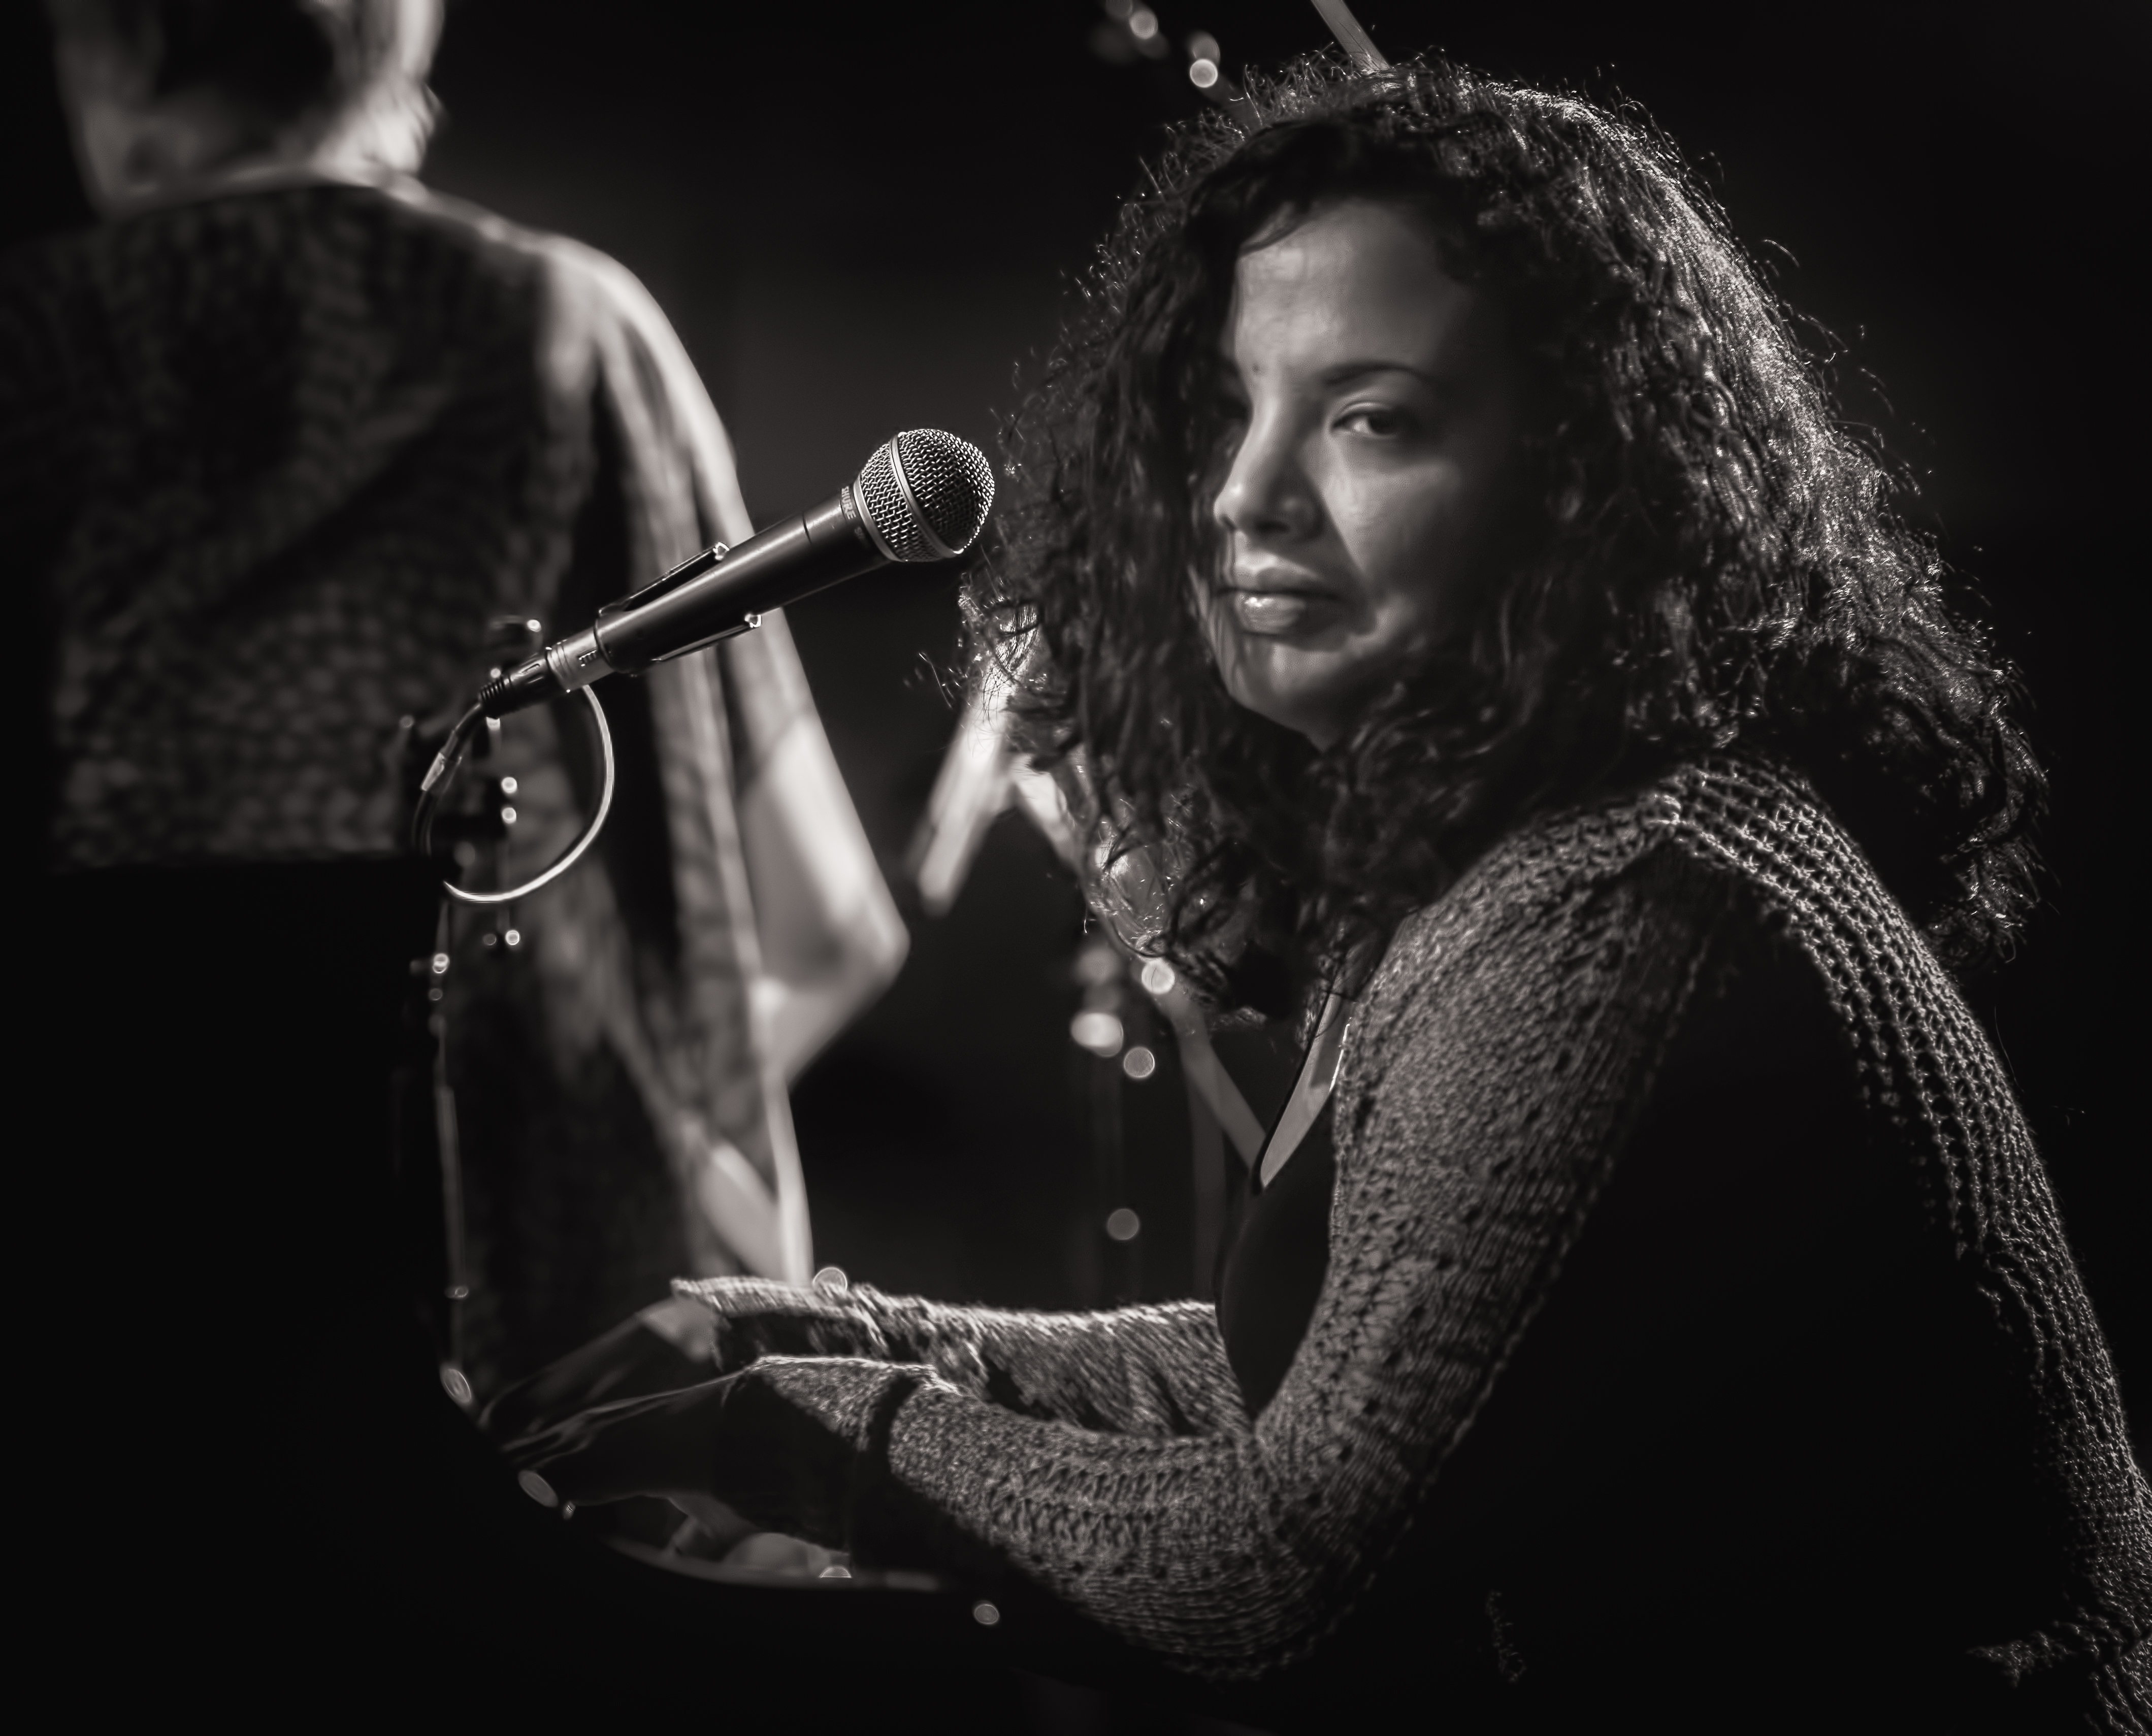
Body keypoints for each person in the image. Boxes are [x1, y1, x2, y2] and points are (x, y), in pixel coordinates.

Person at [493, 57, 2149, 1728]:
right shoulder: (1496, 857)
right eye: (1227, 405)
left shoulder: (1625, 902)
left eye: (1372, 419)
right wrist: (801, 1337)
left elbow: (1288, 1570)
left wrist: (805, 1432)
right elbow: (1308, 1387)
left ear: (1585, 480)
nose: (1242, 494)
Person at [8, 0, 906, 1408]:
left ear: (115, 61)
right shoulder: (565, 324)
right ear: (401, 56)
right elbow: (829, 926)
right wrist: (597, 1150)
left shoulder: (35, 339)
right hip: (531, 1365)